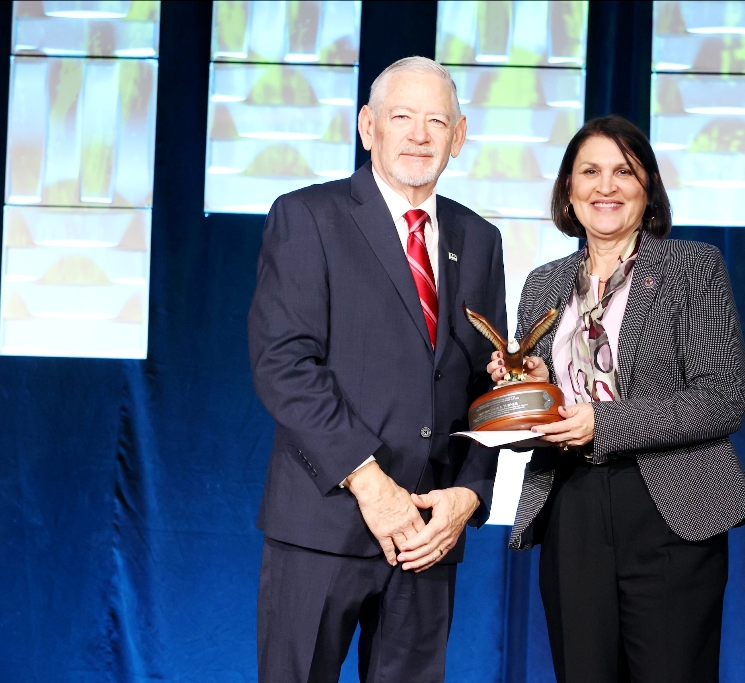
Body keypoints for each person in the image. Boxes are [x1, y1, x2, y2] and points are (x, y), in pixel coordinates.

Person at [249, 57, 506, 683]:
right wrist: (372, 485)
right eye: (402, 117)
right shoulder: (308, 216)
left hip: (428, 533)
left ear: (459, 136)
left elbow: (486, 385)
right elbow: (284, 365)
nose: (419, 135)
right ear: (368, 126)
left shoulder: (480, 239)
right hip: (325, 524)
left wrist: (469, 494)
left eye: (436, 121)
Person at [488, 115, 745, 682]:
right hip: (570, 502)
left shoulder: (692, 268)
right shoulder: (543, 283)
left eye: (624, 172)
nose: (606, 187)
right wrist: (528, 387)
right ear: (568, 189)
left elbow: (721, 398)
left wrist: (604, 423)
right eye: (590, 172)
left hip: (670, 506)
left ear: (649, 187)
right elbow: (545, 409)